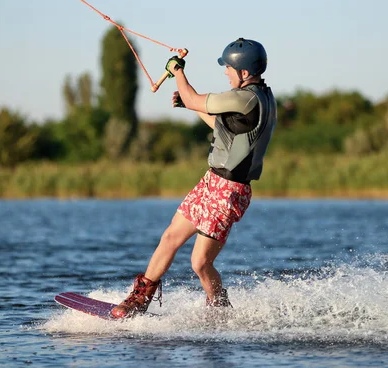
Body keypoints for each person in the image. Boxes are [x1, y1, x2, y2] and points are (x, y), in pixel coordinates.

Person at [110, 38, 278, 318]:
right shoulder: (255, 98)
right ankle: (139, 299)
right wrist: (192, 107)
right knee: (170, 237)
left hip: (229, 190)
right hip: (212, 181)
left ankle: (220, 312)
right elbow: (220, 126)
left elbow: (191, 96)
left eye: (228, 68)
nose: (225, 72)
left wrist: (177, 70)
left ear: (244, 73)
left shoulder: (246, 97)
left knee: (200, 262)